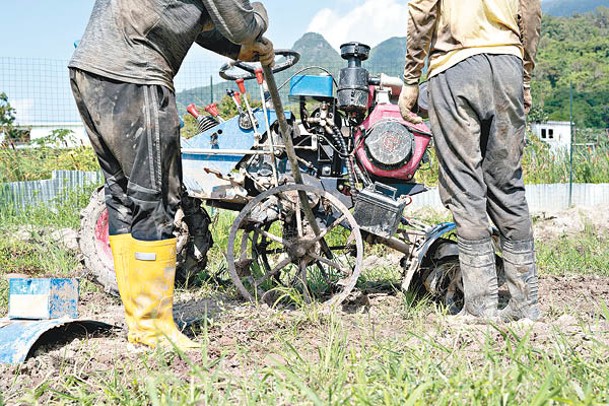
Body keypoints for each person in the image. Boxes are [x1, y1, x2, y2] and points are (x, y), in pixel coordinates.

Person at [69, 0, 274, 349]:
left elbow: (200, 28)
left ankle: (138, 321)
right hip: (135, 71)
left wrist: (243, 51)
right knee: (157, 196)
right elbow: (241, 24)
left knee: (121, 194)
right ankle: (153, 327)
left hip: (91, 69)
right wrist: (258, 26)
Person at [399, 0, 542, 321]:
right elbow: (531, 14)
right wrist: (525, 76)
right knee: (508, 187)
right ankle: (525, 304)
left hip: (454, 67)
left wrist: (411, 79)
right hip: (508, 66)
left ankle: (480, 306)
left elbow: (422, 11)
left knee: (465, 188)